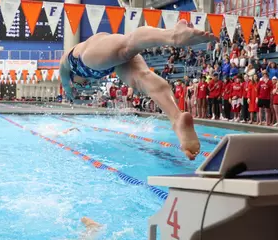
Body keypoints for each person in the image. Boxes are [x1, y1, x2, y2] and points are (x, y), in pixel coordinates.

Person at [59, 20, 214, 160]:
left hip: (85, 58)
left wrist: (68, 90)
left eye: (81, 85)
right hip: (111, 63)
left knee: (128, 46)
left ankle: (173, 35)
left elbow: (64, 78)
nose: (85, 85)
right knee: (142, 78)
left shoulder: (69, 60)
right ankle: (176, 118)